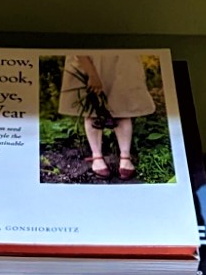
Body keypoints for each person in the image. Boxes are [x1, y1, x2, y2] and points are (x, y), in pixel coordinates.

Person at [59, 50, 155, 180]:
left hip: (119, 57)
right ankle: (97, 156)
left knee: (123, 106)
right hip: (90, 58)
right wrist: (92, 74)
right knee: (92, 107)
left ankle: (125, 157)